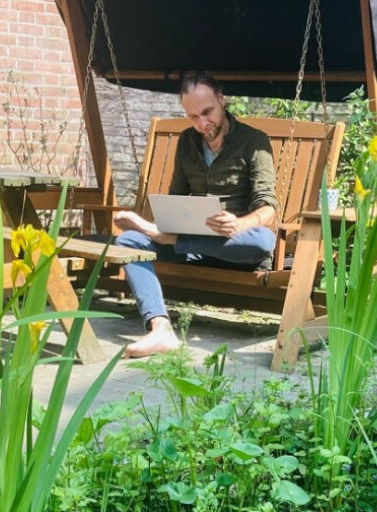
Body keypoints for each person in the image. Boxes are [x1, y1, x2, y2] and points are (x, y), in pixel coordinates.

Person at [111, 72, 278, 358]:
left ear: (222, 100)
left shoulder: (254, 142)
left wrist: (240, 223)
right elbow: (176, 197)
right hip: (191, 245)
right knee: (128, 241)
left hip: (233, 248)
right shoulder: (188, 142)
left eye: (207, 112)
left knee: (262, 241)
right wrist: (170, 222)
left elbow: (269, 208)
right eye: (193, 117)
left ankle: (165, 237)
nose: (202, 124)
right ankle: (160, 329)